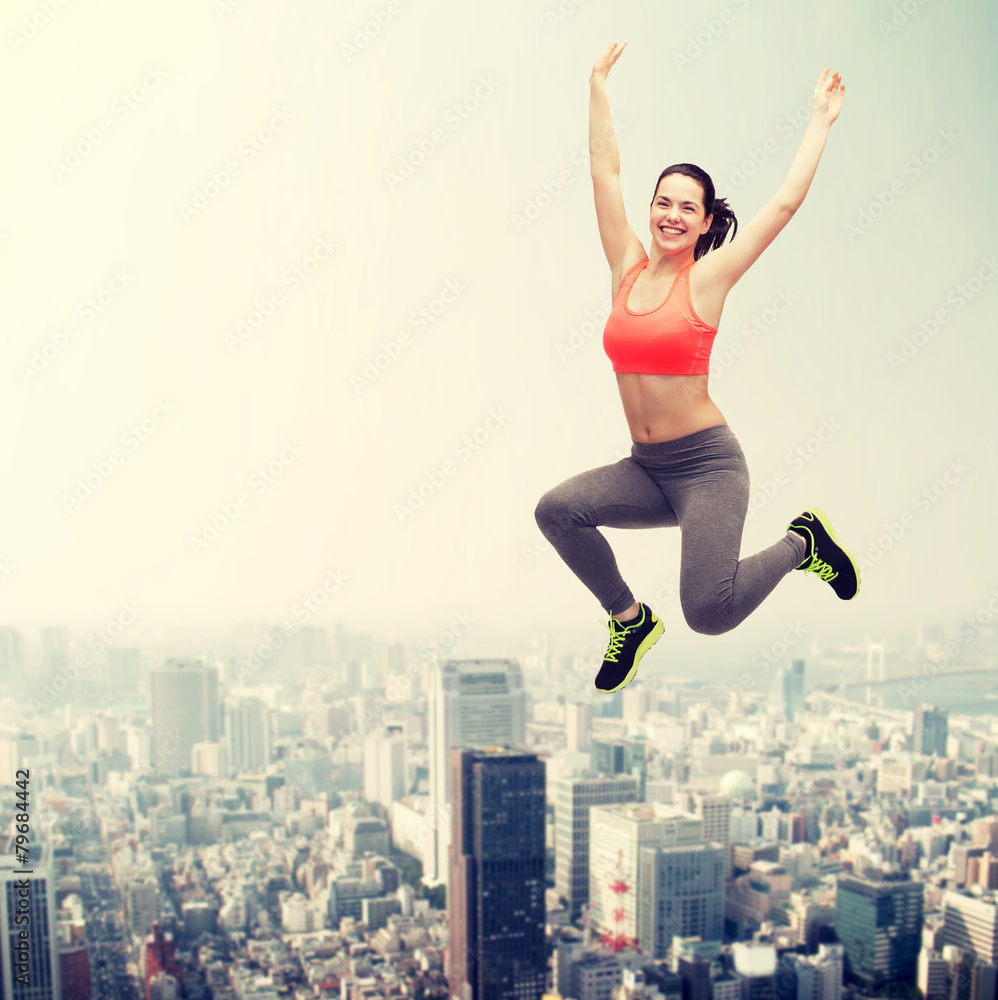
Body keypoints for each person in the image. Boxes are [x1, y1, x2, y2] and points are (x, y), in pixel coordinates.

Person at [534, 42, 861, 694]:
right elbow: (603, 169)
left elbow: (784, 208)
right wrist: (597, 84)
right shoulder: (624, 266)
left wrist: (820, 122)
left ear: (706, 221)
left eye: (688, 207)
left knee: (709, 612)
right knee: (557, 511)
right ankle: (629, 620)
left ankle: (806, 543)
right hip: (645, 469)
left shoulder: (708, 279)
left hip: (707, 468)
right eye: (663, 201)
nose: (671, 214)